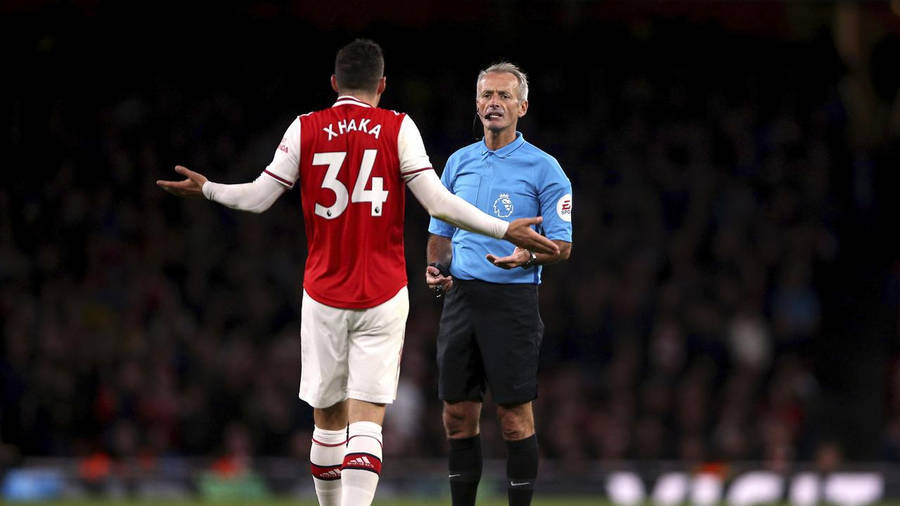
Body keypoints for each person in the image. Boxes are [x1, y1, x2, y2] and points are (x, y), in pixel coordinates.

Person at [157, 40, 558, 506]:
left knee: (326, 419)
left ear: (334, 84)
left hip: (324, 291)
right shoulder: (397, 127)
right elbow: (439, 203)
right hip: (384, 293)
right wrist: (504, 227)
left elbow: (257, 197)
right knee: (367, 419)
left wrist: (208, 189)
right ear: (382, 85)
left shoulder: (306, 128)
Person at [425, 62, 573, 506]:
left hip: (513, 302)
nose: (494, 103)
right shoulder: (457, 162)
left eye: (505, 96)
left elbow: (562, 246)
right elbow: (439, 231)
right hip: (462, 300)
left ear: (522, 106)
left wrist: (527, 254)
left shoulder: (545, 169)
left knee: (513, 419)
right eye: (487, 95)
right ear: (476, 104)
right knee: (456, 416)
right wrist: (435, 268)